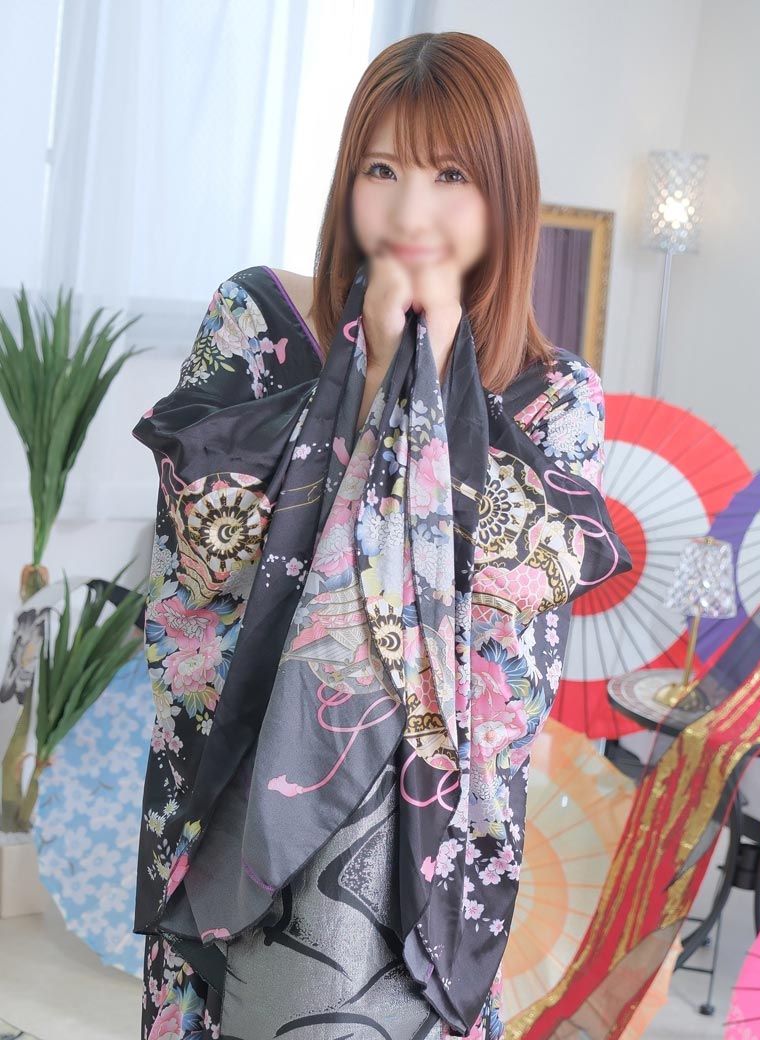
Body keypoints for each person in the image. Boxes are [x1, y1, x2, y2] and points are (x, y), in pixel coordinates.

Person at [135, 30, 630, 1040]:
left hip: (412, 872)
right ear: (347, 184)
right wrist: (362, 386)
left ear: (503, 197)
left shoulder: (554, 398)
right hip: (241, 830)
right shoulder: (258, 322)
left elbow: (504, 663)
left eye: (451, 175)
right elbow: (198, 574)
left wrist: (437, 388)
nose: (412, 210)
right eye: (382, 169)